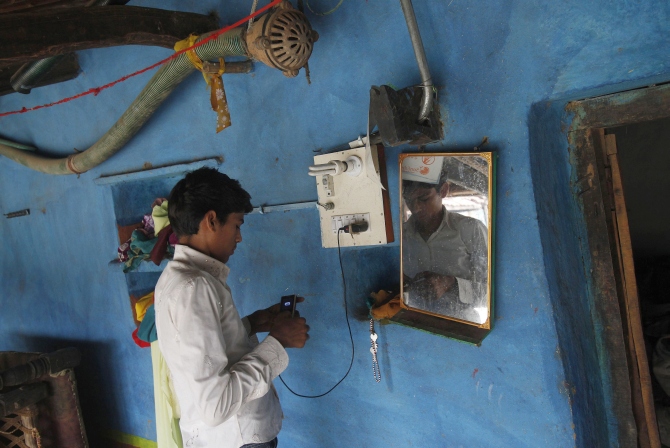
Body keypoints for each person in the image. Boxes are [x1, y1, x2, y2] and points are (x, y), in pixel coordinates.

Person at [154, 167, 310, 448]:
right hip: (235, 438)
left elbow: (206, 351)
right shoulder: (194, 288)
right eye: (237, 226)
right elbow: (216, 406)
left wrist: (251, 323)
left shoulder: (176, 277)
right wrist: (278, 342)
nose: (239, 238)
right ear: (211, 220)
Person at [402, 162, 488, 323]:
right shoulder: (401, 237)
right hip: (414, 326)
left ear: (443, 190)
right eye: (409, 200)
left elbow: (495, 293)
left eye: (423, 198)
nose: (416, 208)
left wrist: (452, 284)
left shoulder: (470, 229)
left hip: (463, 327)